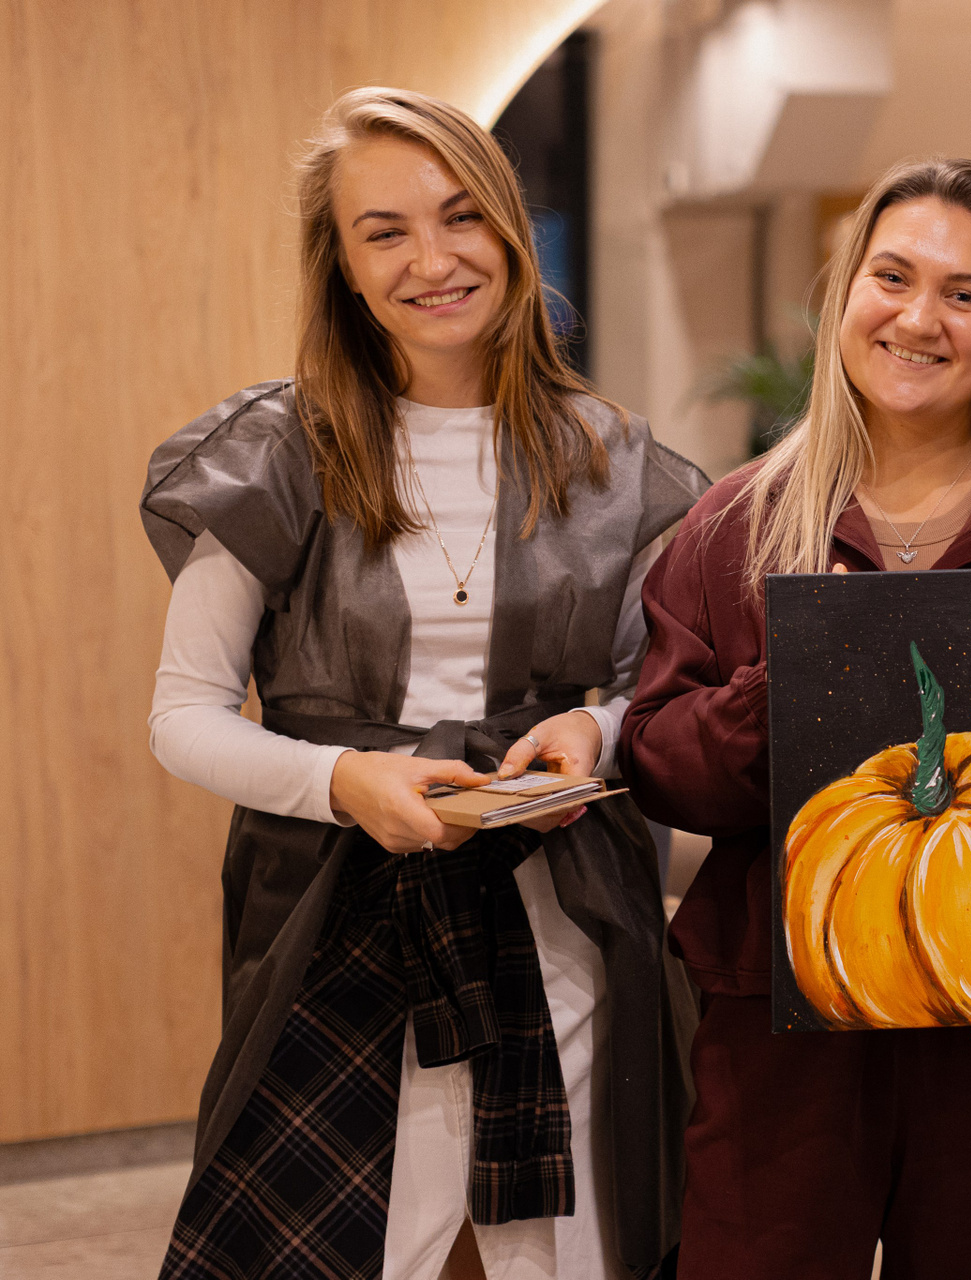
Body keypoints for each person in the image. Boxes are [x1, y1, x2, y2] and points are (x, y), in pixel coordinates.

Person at [142, 87, 706, 1280]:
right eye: (384, 231)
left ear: (509, 228)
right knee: (350, 1240)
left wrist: (594, 731)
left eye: (460, 217)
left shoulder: (620, 465)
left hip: (562, 926)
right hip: (331, 923)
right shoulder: (272, 454)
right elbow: (182, 716)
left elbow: (651, 690)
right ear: (343, 267)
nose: (433, 260)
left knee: (554, 1249)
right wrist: (349, 780)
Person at [619, 157, 971, 1279]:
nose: (920, 318)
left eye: (964, 293)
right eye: (892, 277)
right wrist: (787, 691)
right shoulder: (737, 525)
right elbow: (660, 764)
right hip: (781, 1045)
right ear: (846, 294)